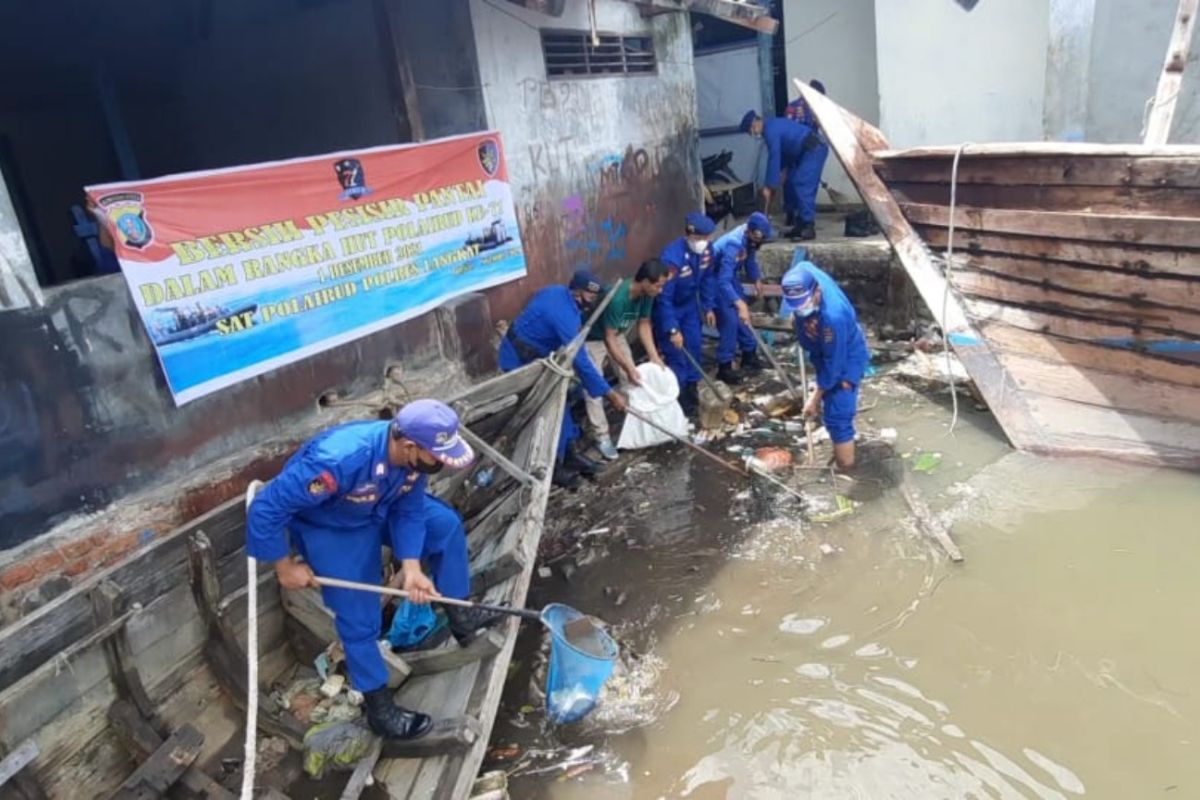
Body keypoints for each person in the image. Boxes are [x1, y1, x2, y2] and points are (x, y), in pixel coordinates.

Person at [246, 399, 500, 740]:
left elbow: (409, 511)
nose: (440, 463)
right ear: (409, 446)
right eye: (437, 457)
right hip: (332, 525)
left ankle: (461, 617)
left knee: (444, 526)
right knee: (358, 612)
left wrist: (411, 567)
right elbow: (266, 508)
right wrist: (283, 566)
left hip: (380, 507)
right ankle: (379, 706)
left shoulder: (414, 461)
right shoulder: (337, 460)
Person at [498, 269, 627, 487]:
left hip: (541, 358)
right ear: (578, 293)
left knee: (564, 399)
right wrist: (609, 393)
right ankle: (552, 466)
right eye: (591, 297)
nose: (592, 302)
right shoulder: (563, 314)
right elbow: (581, 360)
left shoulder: (559, 294)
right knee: (543, 411)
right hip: (518, 362)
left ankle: (569, 453)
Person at [780, 261, 870, 469]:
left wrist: (814, 397)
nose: (800, 309)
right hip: (824, 350)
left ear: (817, 292)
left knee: (838, 414)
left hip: (846, 356)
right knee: (828, 398)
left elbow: (834, 365)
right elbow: (804, 263)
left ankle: (847, 468)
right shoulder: (799, 275)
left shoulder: (833, 318)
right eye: (795, 306)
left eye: (803, 305)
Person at [584, 259, 669, 458]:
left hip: (618, 334)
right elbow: (608, 338)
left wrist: (654, 356)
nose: (661, 290)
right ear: (646, 281)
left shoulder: (647, 294)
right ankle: (602, 436)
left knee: (634, 378)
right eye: (658, 285)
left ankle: (635, 424)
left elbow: (644, 324)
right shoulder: (618, 299)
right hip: (594, 339)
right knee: (593, 386)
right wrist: (628, 367)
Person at [654, 212, 716, 417]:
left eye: (706, 238)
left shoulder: (707, 251)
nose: (703, 242)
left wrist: (708, 307)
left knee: (695, 347)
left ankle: (691, 391)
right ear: (689, 236)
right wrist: (672, 329)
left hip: (689, 307)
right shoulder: (671, 259)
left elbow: (707, 279)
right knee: (677, 355)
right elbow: (664, 299)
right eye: (699, 239)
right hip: (671, 309)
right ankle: (678, 399)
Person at [740, 101, 828, 241]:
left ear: (755, 124)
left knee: (801, 183)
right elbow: (784, 154)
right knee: (792, 182)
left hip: (813, 150)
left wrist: (769, 186)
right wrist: (781, 173)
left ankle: (808, 226)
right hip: (805, 152)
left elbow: (774, 156)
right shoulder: (772, 126)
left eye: (751, 131)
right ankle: (800, 224)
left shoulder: (770, 130)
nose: (753, 134)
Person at [708, 212, 770, 385]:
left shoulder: (748, 236)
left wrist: (756, 279)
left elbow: (750, 260)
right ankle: (724, 366)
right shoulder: (733, 245)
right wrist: (738, 303)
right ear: (750, 232)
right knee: (730, 321)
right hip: (716, 279)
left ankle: (749, 355)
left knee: (745, 318)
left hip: (730, 278)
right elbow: (723, 280)